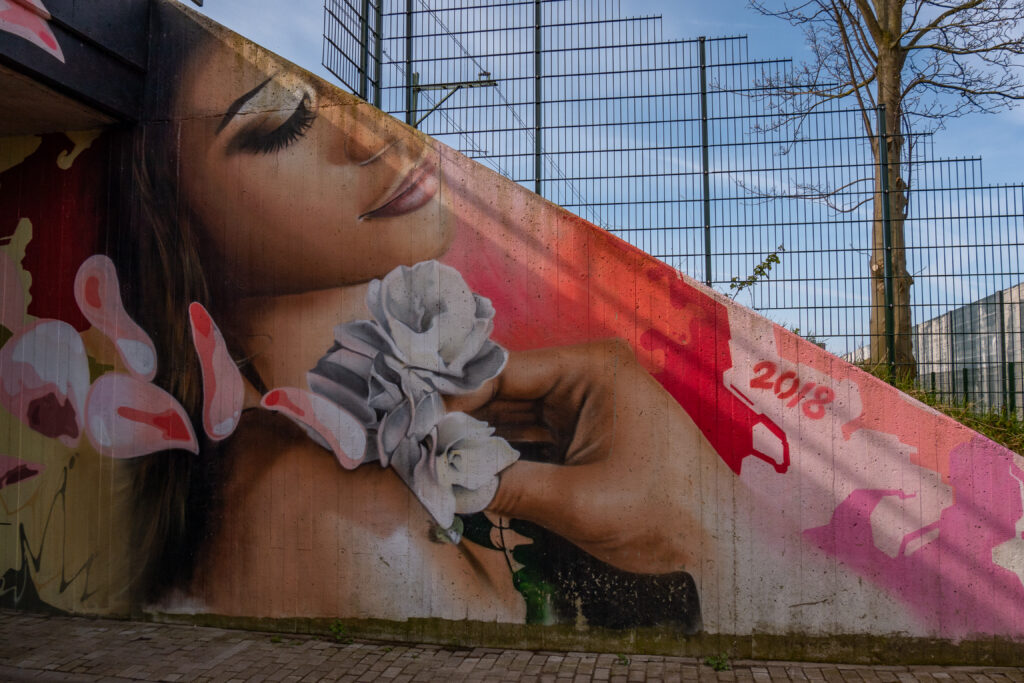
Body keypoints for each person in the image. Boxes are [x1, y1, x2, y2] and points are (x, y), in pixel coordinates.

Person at [116, 4, 719, 627]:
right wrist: (712, 543)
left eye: (347, 106)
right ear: (175, 225)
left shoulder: (370, 463)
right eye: (285, 123)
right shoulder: (325, 511)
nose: (373, 138)